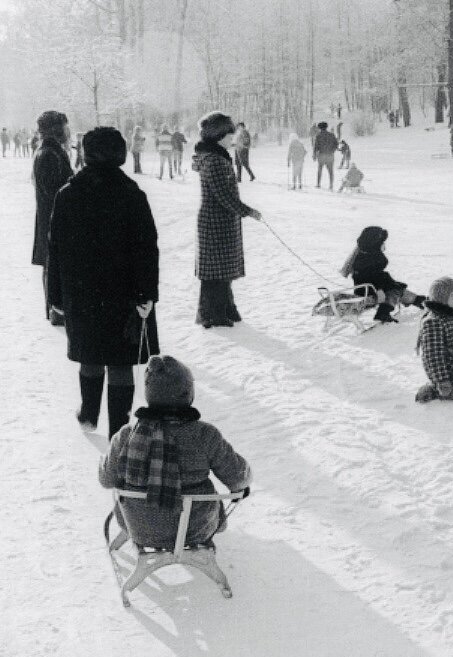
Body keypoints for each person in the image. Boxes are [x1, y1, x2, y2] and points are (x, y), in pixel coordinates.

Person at [47, 126, 160, 438]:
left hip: (81, 293)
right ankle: (120, 429)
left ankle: (88, 415)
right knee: (121, 362)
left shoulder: (68, 194)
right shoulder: (132, 194)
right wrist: (146, 292)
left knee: (90, 356)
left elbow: (54, 249)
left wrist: (55, 295)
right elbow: (147, 248)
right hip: (125, 294)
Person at [98, 355, 252, 548]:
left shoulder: (128, 434)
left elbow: (106, 479)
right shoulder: (204, 434)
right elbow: (238, 477)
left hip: (137, 526)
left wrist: (106, 458)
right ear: (188, 393)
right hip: (195, 528)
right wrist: (242, 483)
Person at [191, 111, 262, 328]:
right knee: (216, 272)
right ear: (219, 135)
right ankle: (213, 315)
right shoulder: (214, 160)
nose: (233, 139)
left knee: (221, 270)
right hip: (215, 221)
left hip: (220, 220)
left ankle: (226, 309)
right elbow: (223, 194)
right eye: (230, 135)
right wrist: (247, 210)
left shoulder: (217, 156)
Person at [32, 110, 74, 325]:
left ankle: (57, 310)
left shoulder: (51, 151)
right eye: (65, 126)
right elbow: (57, 190)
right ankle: (57, 311)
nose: (69, 131)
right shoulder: (49, 154)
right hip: (54, 222)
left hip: (53, 221)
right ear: (57, 130)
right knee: (54, 264)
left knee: (54, 264)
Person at [342, 226, 424, 322]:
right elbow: (375, 278)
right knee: (395, 291)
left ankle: (417, 300)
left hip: (363, 290)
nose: (384, 244)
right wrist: (379, 290)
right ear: (376, 245)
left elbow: (376, 277)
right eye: (382, 242)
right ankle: (383, 312)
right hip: (370, 292)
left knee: (396, 287)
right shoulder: (374, 259)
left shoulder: (360, 255)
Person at [313, 121, 339, 189]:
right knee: (330, 171)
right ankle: (331, 185)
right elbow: (336, 144)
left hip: (321, 155)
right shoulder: (332, 135)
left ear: (320, 128)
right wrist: (332, 151)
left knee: (319, 170)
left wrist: (314, 155)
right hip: (330, 155)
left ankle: (318, 184)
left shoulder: (318, 136)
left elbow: (316, 146)